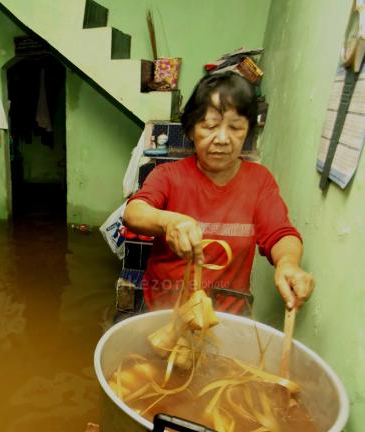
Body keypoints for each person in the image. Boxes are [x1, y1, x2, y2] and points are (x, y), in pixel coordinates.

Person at [123, 71, 314, 315]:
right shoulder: (168, 176)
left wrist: (288, 263)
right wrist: (168, 221)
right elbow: (134, 212)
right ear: (191, 130)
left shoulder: (259, 180)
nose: (223, 139)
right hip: (163, 310)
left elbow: (280, 233)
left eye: (235, 128)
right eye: (210, 126)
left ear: (247, 132)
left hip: (227, 317)